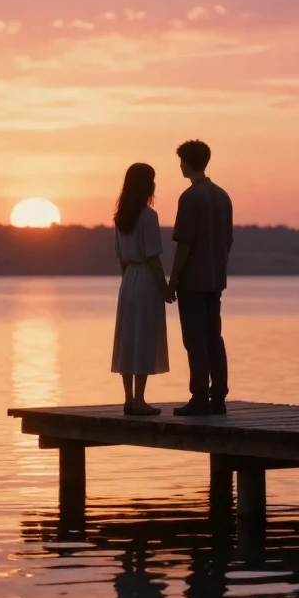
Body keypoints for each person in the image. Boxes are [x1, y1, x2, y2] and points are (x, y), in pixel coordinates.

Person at [167, 140, 233, 416]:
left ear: (187, 162)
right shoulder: (222, 196)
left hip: (193, 280)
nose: (180, 166)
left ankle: (199, 397)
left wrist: (173, 280)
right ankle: (218, 396)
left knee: (195, 340)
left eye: (181, 161)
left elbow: (184, 244)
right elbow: (228, 240)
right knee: (213, 337)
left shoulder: (190, 197)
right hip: (216, 278)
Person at [111, 163, 171, 416]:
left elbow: (121, 259)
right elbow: (153, 256)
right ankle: (139, 400)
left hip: (128, 281)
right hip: (145, 279)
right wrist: (165, 287)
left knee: (128, 339)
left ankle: (128, 399)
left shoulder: (120, 218)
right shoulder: (148, 216)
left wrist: (127, 282)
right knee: (143, 337)